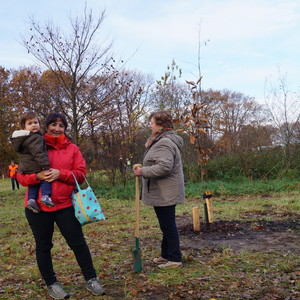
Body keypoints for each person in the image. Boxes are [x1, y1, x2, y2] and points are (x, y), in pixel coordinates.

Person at [17, 113, 105, 299]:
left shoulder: (73, 149)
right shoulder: (33, 144)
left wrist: (60, 174)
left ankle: (91, 279)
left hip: (65, 205)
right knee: (43, 246)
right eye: (53, 125)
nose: (57, 129)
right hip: (38, 207)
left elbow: (80, 174)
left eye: (61, 126)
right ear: (46, 126)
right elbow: (21, 176)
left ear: (65, 128)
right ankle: (52, 284)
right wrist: (37, 177)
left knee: (78, 243)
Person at [133, 111, 185, 269]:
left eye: (152, 122)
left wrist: (144, 171)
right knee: (166, 224)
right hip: (164, 191)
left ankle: (175, 259)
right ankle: (166, 255)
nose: (149, 125)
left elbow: (164, 167)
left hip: (165, 192)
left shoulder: (164, 142)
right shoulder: (161, 140)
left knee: (168, 225)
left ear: (161, 125)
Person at [10, 112, 54, 213]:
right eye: (30, 123)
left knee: (33, 184)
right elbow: (38, 152)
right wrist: (45, 165)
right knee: (46, 178)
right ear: (24, 127)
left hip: (26, 167)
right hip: (36, 164)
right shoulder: (35, 137)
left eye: (36, 122)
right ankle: (45, 196)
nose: (34, 125)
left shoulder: (21, 139)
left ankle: (31, 200)